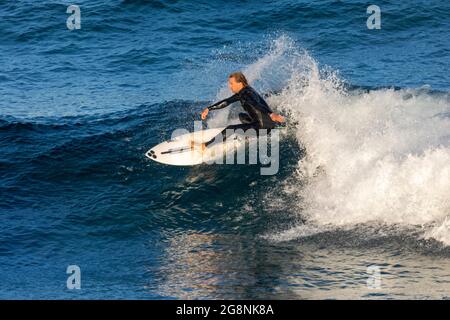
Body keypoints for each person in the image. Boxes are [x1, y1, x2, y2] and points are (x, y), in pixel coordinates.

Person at [193, 72, 285, 151]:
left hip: (262, 126)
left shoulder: (246, 94)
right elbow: (226, 101)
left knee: (231, 129)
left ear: (239, 83)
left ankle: (204, 146)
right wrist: (209, 109)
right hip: (266, 123)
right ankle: (251, 135)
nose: (230, 86)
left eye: (231, 83)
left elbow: (256, 103)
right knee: (242, 116)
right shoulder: (245, 91)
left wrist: (271, 114)